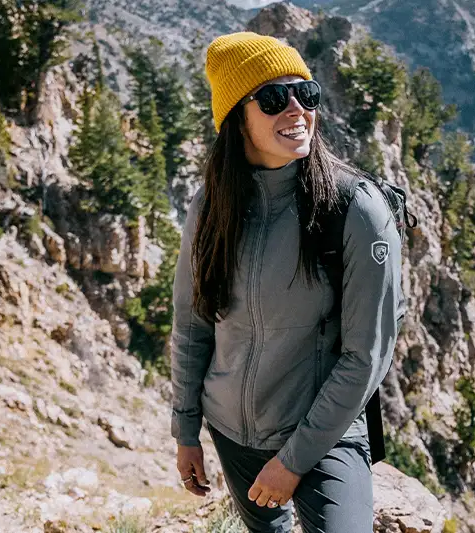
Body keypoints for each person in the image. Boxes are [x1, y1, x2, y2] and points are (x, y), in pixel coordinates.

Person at [170, 31, 405, 533]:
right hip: (231, 429)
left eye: (308, 93)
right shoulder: (211, 206)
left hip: (323, 432)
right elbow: (192, 324)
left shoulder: (356, 209)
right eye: (275, 98)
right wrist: (185, 427)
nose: (296, 108)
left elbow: (367, 355)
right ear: (236, 115)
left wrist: (293, 461)